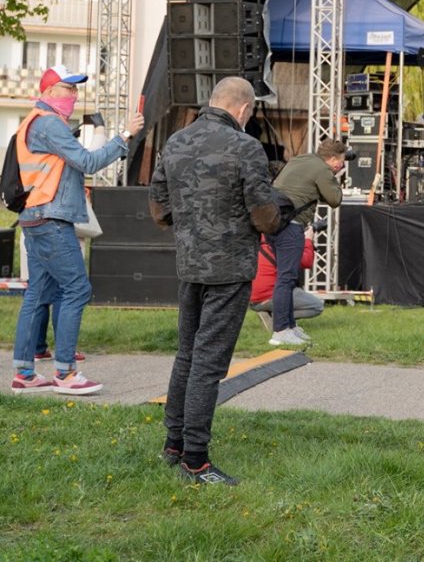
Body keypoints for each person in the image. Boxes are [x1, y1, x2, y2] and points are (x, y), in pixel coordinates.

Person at [149, 77, 280, 484]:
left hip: (190, 265)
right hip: (229, 269)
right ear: (243, 109)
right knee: (208, 362)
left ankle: (173, 444)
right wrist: (278, 216)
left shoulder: (175, 142)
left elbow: (158, 209)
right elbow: (264, 215)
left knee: (187, 353)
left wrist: (192, 225)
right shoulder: (245, 147)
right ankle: (196, 459)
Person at [10, 65, 142, 396]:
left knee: (38, 293)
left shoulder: (34, 122)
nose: (74, 95)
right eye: (68, 88)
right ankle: (66, 373)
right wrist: (124, 136)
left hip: (35, 216)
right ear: (49, 91)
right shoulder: (49, 124)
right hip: (50, 218)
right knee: (77, 289)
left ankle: (24, 373)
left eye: (75, 89)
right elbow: (88, 162)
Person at [254, 139, 346, 345]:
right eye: (340, 161)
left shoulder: (301, 159)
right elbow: (335, 199)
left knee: (286, 278)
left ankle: (290, 327)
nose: (341, 165)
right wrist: (334, 177)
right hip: (291, 226)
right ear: (331, 159)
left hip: (275, 223)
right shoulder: (323, 170)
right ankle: (280, 332)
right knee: (286, 279)